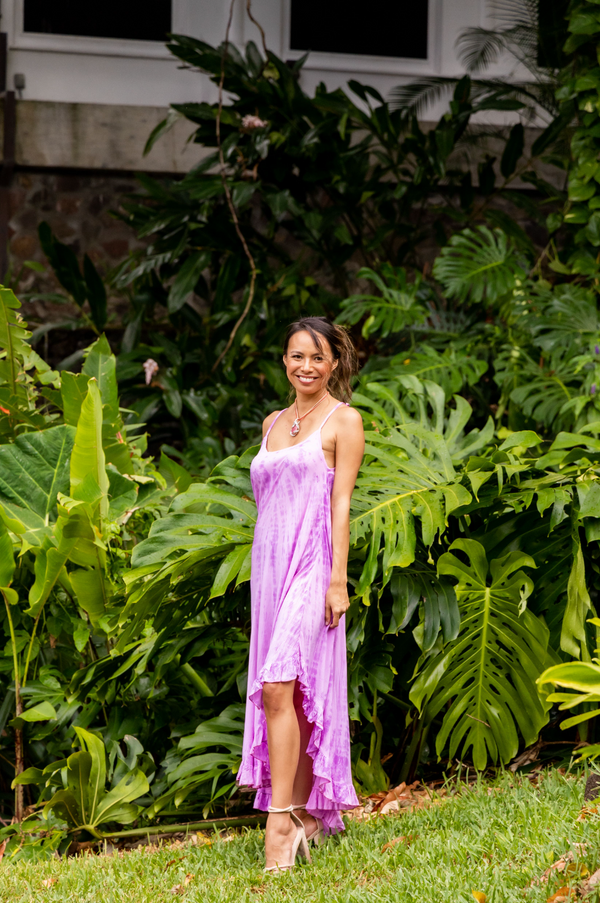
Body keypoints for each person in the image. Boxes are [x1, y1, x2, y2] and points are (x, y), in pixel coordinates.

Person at [237, 316, 365, 872]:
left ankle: (280, 825)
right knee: (284, 693)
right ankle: (304, 817)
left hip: (314, 564)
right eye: (296, 356)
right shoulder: (272, 421)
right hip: (270, 567)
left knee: (278, 685)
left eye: (316, 357)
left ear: (334, 362)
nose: (305, 367)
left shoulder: (345, 421)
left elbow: (341, 504)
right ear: (284, 362)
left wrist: (338, 579)